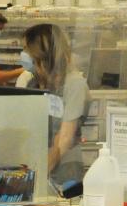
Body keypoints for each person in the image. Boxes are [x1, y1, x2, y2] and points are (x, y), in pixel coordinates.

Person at [18, 23, 89, 188]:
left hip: (64, 173)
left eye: (27, 49)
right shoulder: (33, 82)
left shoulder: (74, 85)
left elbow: (64, 139)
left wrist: (37, 178)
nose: (24, 54)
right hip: (35, 166)